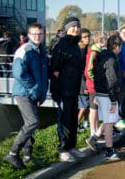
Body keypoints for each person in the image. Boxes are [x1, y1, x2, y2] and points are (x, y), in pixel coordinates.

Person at [3, 23, 48, 169]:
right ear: (29, 35)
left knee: (30, 124)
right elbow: (19, 73)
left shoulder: (41, 51)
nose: (37, 36)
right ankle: (12, 153)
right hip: (24, 93)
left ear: (43, 35)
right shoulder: (25, 50)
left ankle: (28, 155)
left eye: (40, 34)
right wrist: (34, 88)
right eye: (34, 34)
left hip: (33, 93)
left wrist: (39, 92)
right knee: (32, 122)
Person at [50, 17, 86, 162]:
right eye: (72, 27)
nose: (75, 29)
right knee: (64, 120)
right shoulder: (61, 45)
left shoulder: (76, 46)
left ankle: (72, 146)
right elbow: (55, 70)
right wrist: (57, 91)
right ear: (67, 29)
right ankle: (63, 149)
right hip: (63, 90)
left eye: (77, 27)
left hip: (74, 90)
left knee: (73, 120)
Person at [86, 34, 122, 161]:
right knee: (109, 123)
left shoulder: (102, 56)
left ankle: (94, 138)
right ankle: (109, 150)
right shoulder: (111, 61)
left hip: (101, 93)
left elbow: (95, 74)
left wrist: (96, 93)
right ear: (117, 46)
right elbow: (112, 81)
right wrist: (113, 100)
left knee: (109, 121)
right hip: (108, 95)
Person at [85, 32, 107, 138]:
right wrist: (95, 82)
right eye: (105, 39)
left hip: (96, 85)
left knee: (96, 108)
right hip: (93, 86)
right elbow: (88, 71)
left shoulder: (98, 52)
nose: (107, 41)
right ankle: (92, 132)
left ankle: (97, 130)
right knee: (93, 109)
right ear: (101, 41)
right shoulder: (93, 52)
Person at [77, 28, 91, 132]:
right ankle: (75, 125)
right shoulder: (81, 51)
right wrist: (85, 86)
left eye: (88, 36)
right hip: (82, 82)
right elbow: (81, 70)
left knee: (88, 105)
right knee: (84, 106)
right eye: (85, 37)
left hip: (87, 80)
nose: (87, 39)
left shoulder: (87, 49)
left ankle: (85, 124)